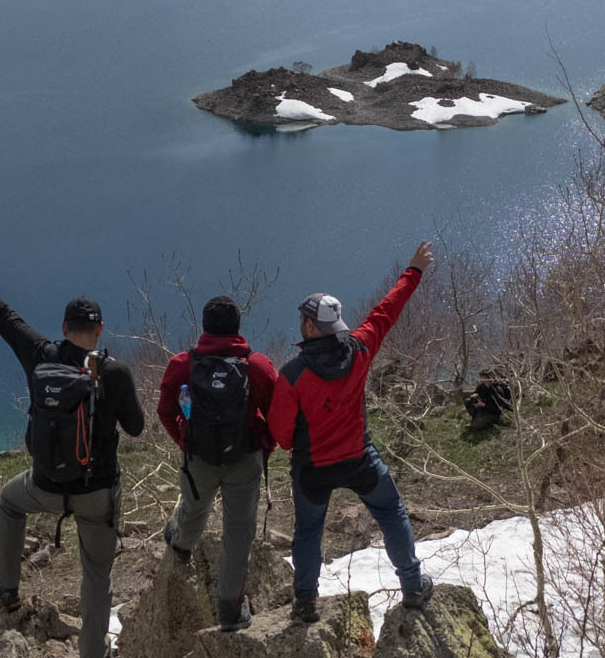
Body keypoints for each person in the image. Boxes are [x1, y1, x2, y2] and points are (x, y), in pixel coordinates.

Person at [0, 240, 144, 658]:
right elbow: (135, 429)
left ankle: (4, 588)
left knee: (8, 501)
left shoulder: (41, 354)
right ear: (99, 331)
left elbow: (0, 313)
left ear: (63, 326)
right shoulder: (113, 372)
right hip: (97, 494)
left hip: (43, 486)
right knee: (96, 575)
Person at [268, 242, 436, 624]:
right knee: (391, 512)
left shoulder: (292, 375)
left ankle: (306, 603)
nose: (300, 323)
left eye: (302, 318)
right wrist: (414, 270)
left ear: (311, 326)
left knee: (309, 531)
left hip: (312, 468)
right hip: (359, 459)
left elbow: (280, 435)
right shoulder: (360, 349)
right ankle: (412, 585)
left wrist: (300, 441)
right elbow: (387, 310)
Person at [157, 295, 277, 631]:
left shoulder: (184, 363)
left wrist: (185, 440)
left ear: (205, 328)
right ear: (238, 327)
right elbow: (279, 414)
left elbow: (166, 411)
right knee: (238, 535)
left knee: (194, 511)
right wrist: (265, 445)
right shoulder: (258, 366)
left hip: (199, 459)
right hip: (244, 461)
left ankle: (181, 545)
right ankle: (229, 609)